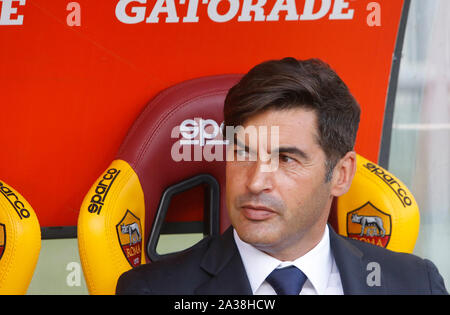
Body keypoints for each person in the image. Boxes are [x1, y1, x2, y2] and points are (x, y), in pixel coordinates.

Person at [116, 57, 448, 295]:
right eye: (243, 152)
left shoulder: (416, 283)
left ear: (341, 175)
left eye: (286, 158)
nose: (255, 181)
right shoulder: (152, 289)